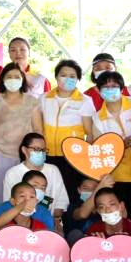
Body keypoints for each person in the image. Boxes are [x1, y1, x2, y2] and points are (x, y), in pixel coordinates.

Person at [91, 70, 131, 217]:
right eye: (105, 87)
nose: (110, 90)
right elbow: (99, 148)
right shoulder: (97, 117)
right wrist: (121, 145)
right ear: (98, 90)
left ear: (122, 88)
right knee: (123, 215)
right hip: (117, 174)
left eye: (114, 86)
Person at [0, 63, 38, 198]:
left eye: (17, 77)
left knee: (23, 195)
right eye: (9, 77)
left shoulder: (32, 101)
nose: (13, 80)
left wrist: (37, 154)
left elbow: (38, 130)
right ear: (2, 80)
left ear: (22, 79)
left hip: (26, 155)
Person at [40, 58, 91, 194]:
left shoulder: (85, 101)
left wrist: (84, 157)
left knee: (70, 191)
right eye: (63, 75)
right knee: (49, 191)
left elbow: (89, 132)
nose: (67, 79)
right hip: (47, 154)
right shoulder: (44, 98)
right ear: (56, 77)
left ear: (78, 79)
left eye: (72, 76)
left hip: (72, 156)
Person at [1, 134, 68, 214]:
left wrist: (54, 218)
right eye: (36, 149)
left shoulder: (53, 170)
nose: (41, 153)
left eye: (43, 150)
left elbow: (61, 201)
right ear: (24, 150)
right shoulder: (12, 173)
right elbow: (8, 203)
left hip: (49, 218)